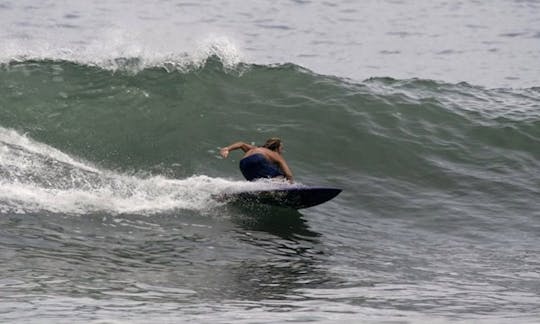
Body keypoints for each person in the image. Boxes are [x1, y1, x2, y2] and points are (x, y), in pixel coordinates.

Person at [220, 137, 294, 183]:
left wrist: (228, 149)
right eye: (281, 148)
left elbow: (241, 144)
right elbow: (289, 174)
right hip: (258, 159)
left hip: (243, 163)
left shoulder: (256, 149)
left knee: (256, 181)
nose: (282, 150)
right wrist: (291, 185)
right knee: (282, 176)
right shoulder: (275, 154)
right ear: (277, 148)